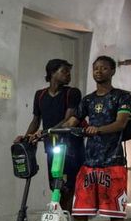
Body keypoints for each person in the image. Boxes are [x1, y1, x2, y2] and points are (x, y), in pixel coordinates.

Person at [62, 55, 131, 221]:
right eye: (96, 68)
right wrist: (47, 132)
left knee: (115, 213)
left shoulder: (122, 97)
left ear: (112, 71)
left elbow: (121, 123)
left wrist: (98, 129)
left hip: (113, 162)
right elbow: (72, 121)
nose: (99, 71)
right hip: (89, 162)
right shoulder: (87, 100)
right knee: (80, 211)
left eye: (104, 68)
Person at [15, 58, 83, 212]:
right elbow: (36, 120)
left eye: (69, 72)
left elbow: (68, 119)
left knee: (68, 187)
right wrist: (26, 137)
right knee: (55, 186)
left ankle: (66, 220)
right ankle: (59, 219)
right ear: (52, 73)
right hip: (52, 146)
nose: (68, 75)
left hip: (71, 148)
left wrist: (46, 132)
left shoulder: (72, 93)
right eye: (64, 71)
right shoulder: (40, 95)